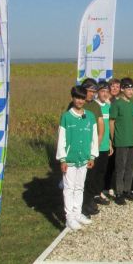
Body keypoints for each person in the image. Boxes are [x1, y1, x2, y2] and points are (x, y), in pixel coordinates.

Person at [56, 85, 98, 231]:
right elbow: (61, 139)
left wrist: (92, 156)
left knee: (80, 187)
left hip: (84, 158)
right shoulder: (66, 117)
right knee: (69, 188)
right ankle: (69, 218)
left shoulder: (90, 116)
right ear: (73, 98)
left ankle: (77, 213)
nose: (80, 101)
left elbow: (94, 138)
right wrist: (62, 159)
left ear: (85, 99)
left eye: (82, 98)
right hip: (70, 159)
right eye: (77, 98)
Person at [76, 79, 104, 213]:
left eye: (94, 92)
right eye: (90, 91)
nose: (92, 94)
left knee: (91, 177)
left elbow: (101, 126)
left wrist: (95, 147)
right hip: (79, 147)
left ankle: (88, 200)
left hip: (92, 147)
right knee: (81, 178)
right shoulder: (76, 104)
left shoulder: (95, 106)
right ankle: (80, 204)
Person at [109, 78, 133, 205]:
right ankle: (119, 192)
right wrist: (112, 139)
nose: (131, 91)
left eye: (132, 89)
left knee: (130, 167)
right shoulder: (117, 103)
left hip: (132, 141)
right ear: (122, 89)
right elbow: (111, 122)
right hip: (120, 141)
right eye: (128, 89)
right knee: (120, 168)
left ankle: (127, 190)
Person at [92, 80, 114, 203]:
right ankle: (93, 193)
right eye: (102, 91)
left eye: (107, 91)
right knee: (94, 171)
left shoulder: (108, 106)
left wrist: (110, 142)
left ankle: (99, 192)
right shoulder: (94, 106)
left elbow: (108, 125)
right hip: (96, 144)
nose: (105, 94)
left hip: (105, 144)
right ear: (97, 92)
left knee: (102, 170)